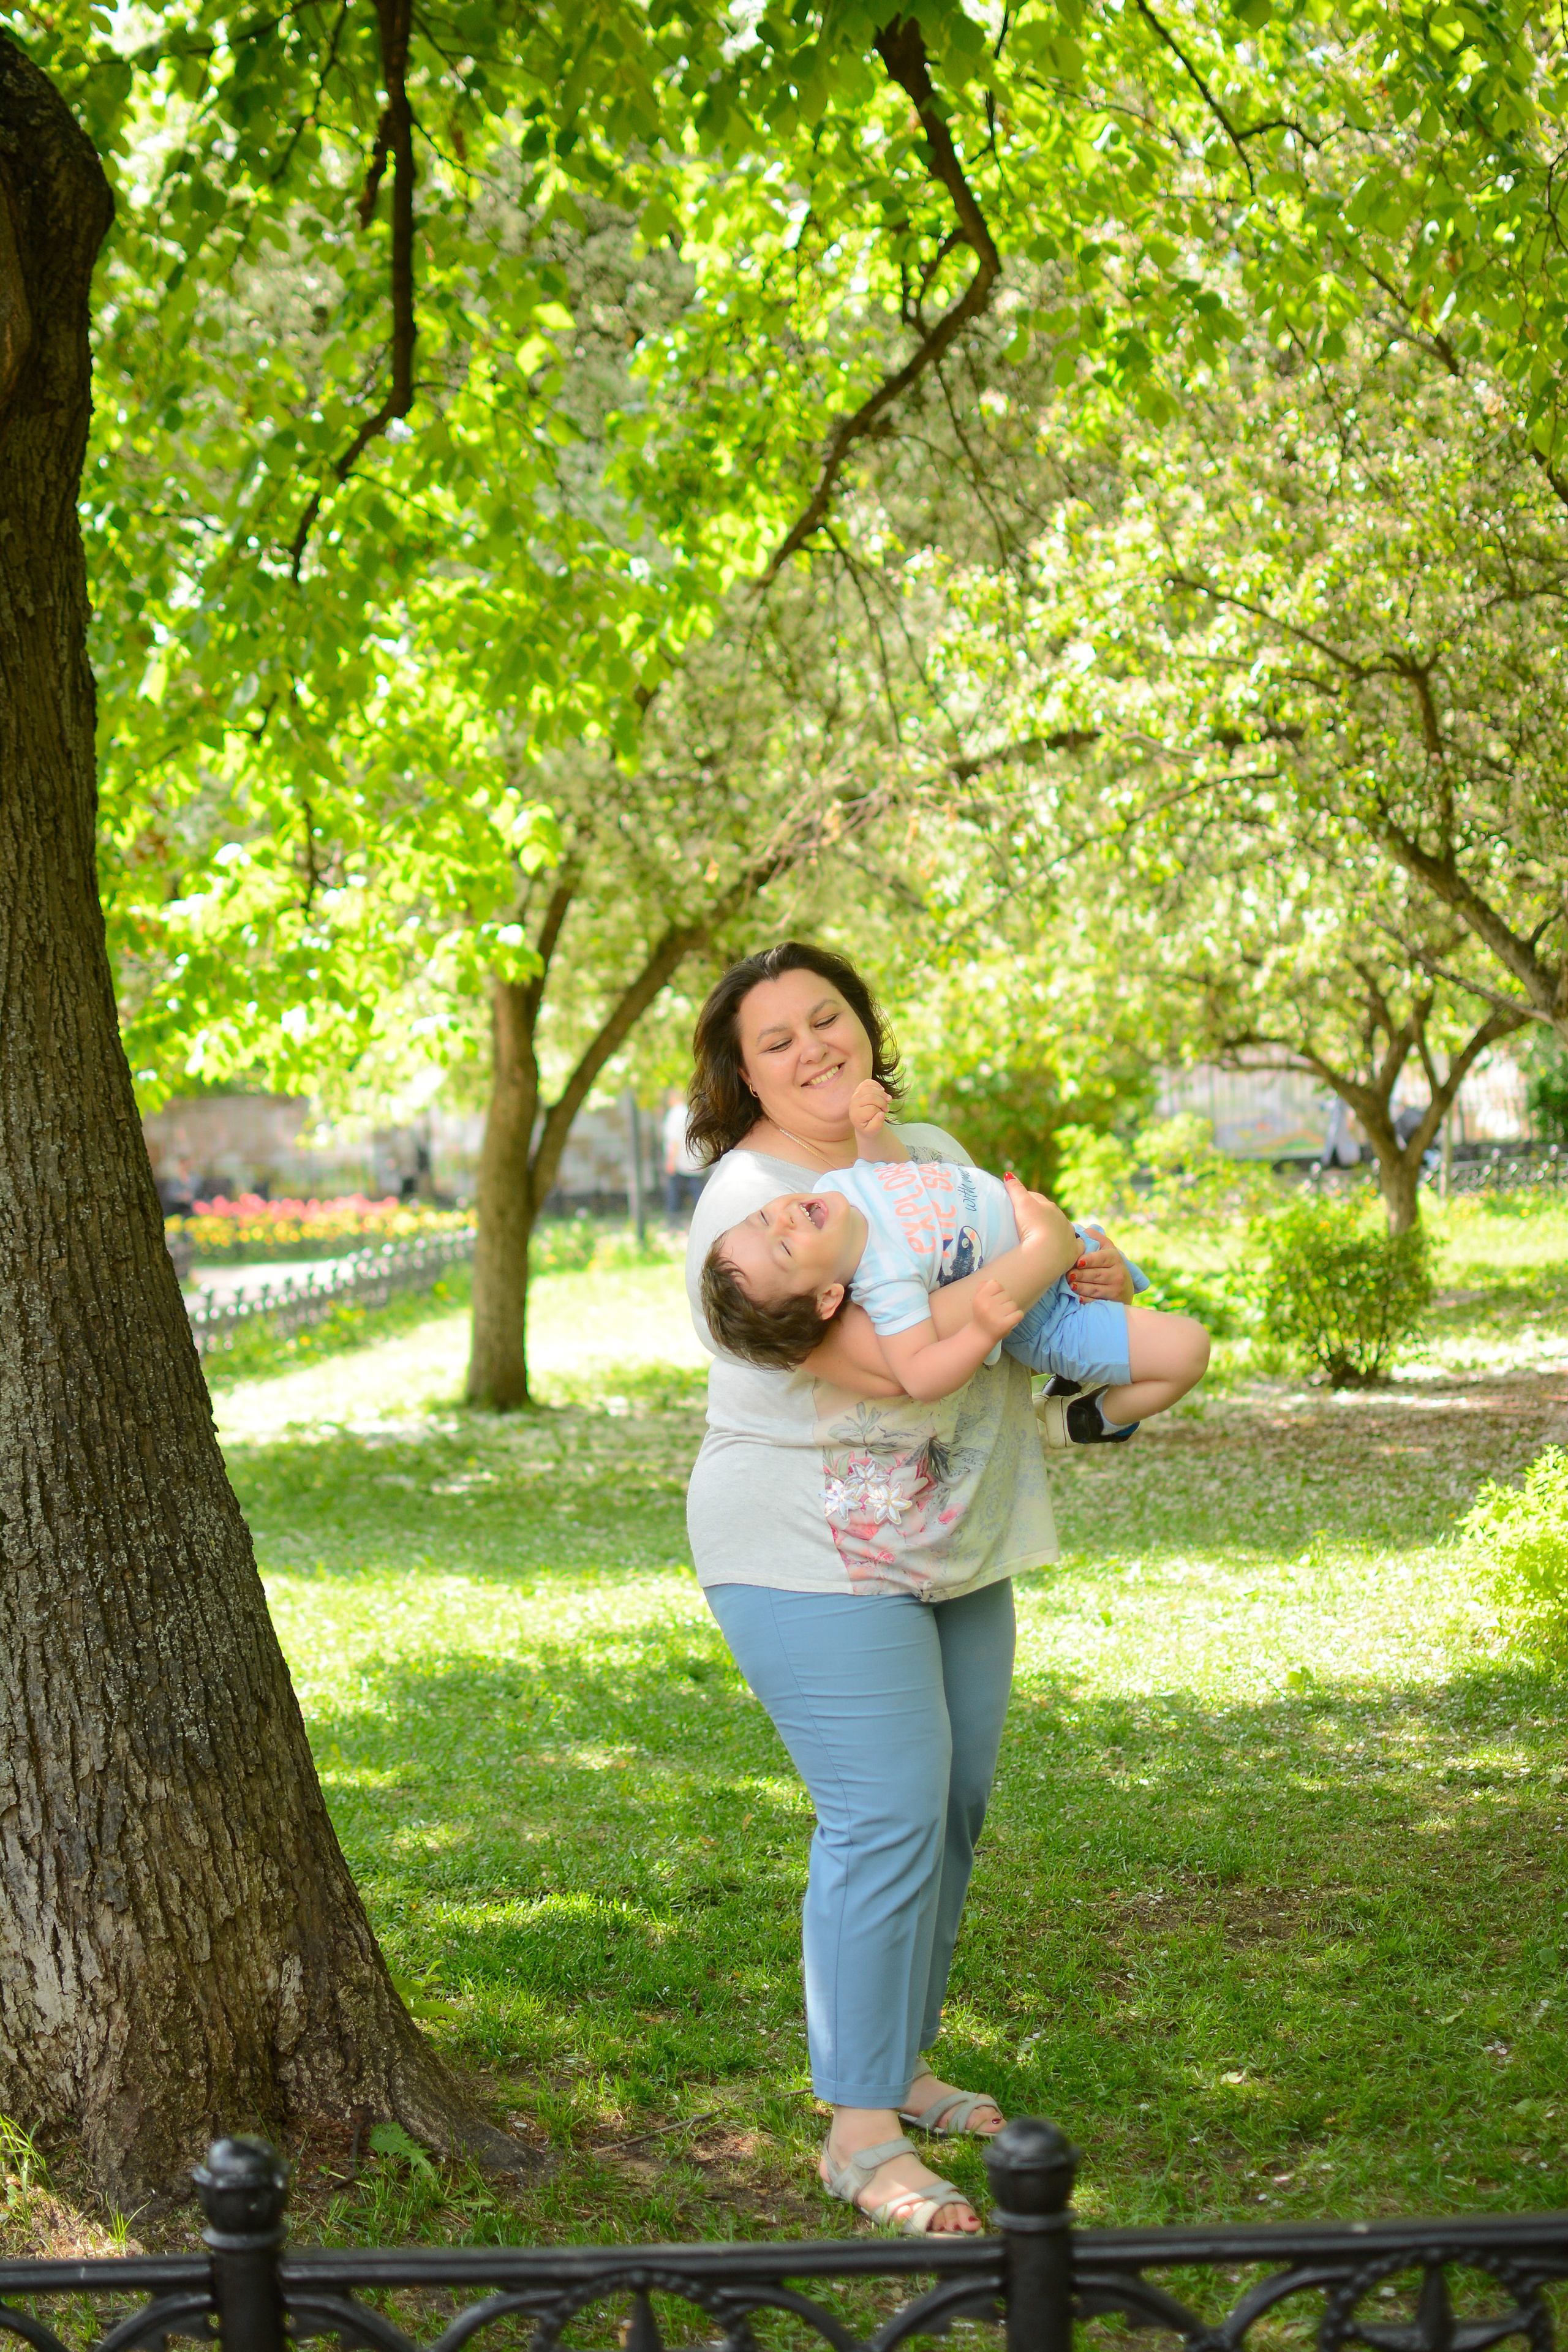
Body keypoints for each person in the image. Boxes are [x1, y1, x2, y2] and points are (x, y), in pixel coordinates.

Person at [684, 941, 1147, 2237]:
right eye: (773, 1041)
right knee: (881, 1809)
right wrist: (1036, 1256)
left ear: (861, 1025)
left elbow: (1007, 1300)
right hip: (801, 1544)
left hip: (950, 1532)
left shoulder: (926, 1150)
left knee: (946, 1805)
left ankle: (896, 2065)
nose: (810, 1048)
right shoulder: (750, 1210)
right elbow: (900, 1369)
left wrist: (1082, 1269)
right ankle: (857, 2137)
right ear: (743, 1076)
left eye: (824, 1018)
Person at [701, 1077, 1210, 1442]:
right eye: (786, 1249)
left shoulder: (838, 1185)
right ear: (828, 1296)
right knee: (1189, 1349)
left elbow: (897, 1175)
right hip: (1045, 1312)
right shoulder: (886, 1283)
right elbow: (920, 1375)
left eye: (764, 1220)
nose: (784, 1220)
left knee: (1115, 1272)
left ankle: (1082, 1373)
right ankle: (1090, 1419)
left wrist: (871, 1131)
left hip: (1064, 1248)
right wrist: (980, 1333)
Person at [663, 1084, 708, 1221]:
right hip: (693, 1160)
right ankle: (703, 1218)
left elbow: (674, 1141)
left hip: (680, 1160)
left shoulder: (674, 1114)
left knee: (674, 1192)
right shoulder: (688, 1113)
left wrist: (670, 1161)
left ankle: (673, 1219)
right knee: (696, 1192)